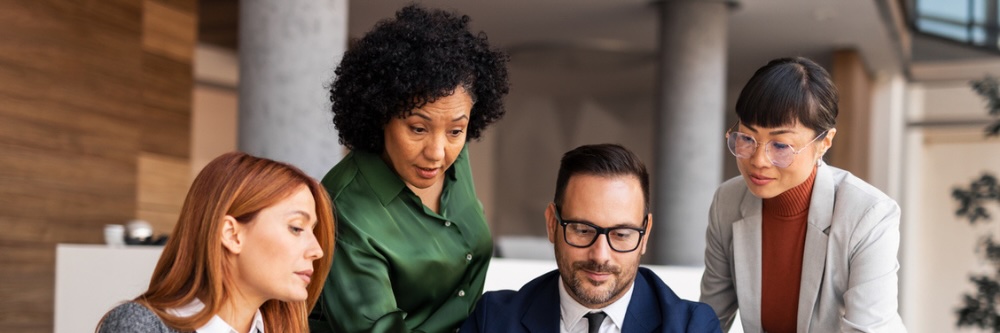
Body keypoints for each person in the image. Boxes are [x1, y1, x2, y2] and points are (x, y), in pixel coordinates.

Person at [307, 4, 510, 333]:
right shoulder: (346, 210)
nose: (437, 153)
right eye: (418, 128)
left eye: (456, 131)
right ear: (380, 115)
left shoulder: (455, 154)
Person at [699, 57, 906, 332]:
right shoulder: (728, 201)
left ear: (824, 142)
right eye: (747, 138)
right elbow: (709, 319)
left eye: (781, 145)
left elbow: (864, 328)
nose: (758, 160)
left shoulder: (868, 215)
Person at [460, 144, 721, 333]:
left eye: (621, 234)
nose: (600, 256)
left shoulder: (691, 327)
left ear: (645, 234)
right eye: (583, 230)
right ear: (552, 223)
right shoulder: (494, 321)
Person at [96, 152, 335, 333]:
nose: (317, 251)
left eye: (312, 231)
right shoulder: (140, 327)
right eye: (296, 228)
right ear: (231, 234)